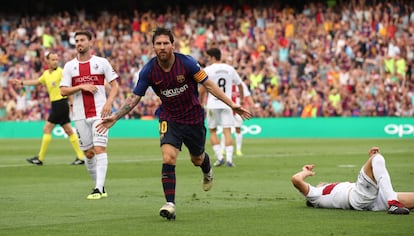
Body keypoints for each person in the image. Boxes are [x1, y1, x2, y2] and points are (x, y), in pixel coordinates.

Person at [96, 27, 251, 220]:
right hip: (169, 118)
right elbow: (135, 98)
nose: (162, 47)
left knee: (197, 159)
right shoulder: (149, 70)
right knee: (168, 157)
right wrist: (116, 116)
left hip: (193, 118)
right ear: (153, 47)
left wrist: (233, 105)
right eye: (158, 44)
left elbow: (209, 85)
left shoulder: (187, 63)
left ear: (172, 45)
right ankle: (170, 203)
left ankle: (207, 168)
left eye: (165, 43)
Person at [60, 31, 120, 200]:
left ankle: (98, 189)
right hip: (79, 115)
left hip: (101, 112)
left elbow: (115, 86)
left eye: (82, 40)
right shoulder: (69, 66)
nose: (79, 43)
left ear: (89, 42)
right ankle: (99, 185)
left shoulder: (101, 62)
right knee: (88, 153)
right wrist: (81, 86)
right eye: (76, 41)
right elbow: (63, 90)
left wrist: (109, 103)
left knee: (99, 148)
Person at [10, 52, 85, 166]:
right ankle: (81, 157)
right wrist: (22, 82)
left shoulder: (61, 72)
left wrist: (71, 102)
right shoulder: (46, 74)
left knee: (47, 129)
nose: (55, 61)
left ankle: (40, 158)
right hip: (56, 105)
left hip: (61, 103)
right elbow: (36, 82)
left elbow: (67, 87)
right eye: (53, 59)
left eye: (56, 59)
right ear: (47, 61)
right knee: (68, 130)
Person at [291, 146, 413, 214]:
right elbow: (296, 179)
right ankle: (392, 203)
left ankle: (392, 201)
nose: (320, 182)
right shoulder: (315, 195)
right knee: (378, 158)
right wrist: (305, 172)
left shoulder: (327, 190)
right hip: (358, 197)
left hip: (373, 200)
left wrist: (373, 166)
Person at [200, 47, 244, 167]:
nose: (208, 60)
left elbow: (203, 89)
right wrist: (242, 98)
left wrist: (199, 102)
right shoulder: (230, 69)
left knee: (213, 130)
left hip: (212, 104)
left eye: (209, 57)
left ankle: (220, 157)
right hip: (227, 104)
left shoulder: (208, 70)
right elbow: (240, 84)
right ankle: (229, 160)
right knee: (227, 131)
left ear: (213, 57)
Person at [220, 80, 254, 157]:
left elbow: (247, 96)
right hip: (227, 110)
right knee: (225, 129)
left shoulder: (241, 85)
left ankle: (238, 150)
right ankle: (222, 149)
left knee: (238, 129)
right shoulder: (226, 83)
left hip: (239, 110)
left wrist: (252, 105)